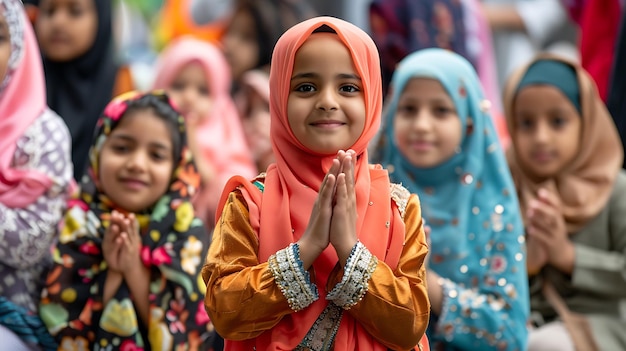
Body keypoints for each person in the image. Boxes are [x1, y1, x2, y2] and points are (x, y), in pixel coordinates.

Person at [202, 16, 430, 350]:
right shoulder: (251, 203)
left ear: (373, 97)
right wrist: (306, 250)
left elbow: (410, 324)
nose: (327, 101)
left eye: (348, 88)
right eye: (306, 87)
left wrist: (350, 251)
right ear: (279, 96)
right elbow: (225, 312)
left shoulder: (398, 207)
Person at [374, 48, 529, 350]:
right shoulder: (370, 191)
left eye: (441, 111)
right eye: (408, 109)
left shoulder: (493, 209)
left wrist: (429, 287)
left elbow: (512, 334)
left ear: (469, 123)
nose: (421, 124)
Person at [39, 91, 213, 350]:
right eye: (122, 148)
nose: (137, 164)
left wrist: (132, 268)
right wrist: (112, 271)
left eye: (156, 155)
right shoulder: (72, 223)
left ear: (177, 167)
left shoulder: (188, 235)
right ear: (98, 150)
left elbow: (189, 338)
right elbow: (59, 327)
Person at [502, 56, 626, 350]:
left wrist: (567, 255)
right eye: (526, 123)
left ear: (587, 122)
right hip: (522, 319)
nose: (541, 137)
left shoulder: (615, 187)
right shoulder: (505, 186)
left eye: (558, 121)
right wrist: (527, 265)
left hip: (602, 323)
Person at [0, 1, 73, 349]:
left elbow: (27, 245)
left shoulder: (44, 133)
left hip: (17, 316)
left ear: (18, 46)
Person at [152, 36, 256, 230]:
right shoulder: (145, 124)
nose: (189, 97)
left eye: (203, 91)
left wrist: (196, 155)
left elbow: (238, 196)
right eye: (178, 86)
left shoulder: (226, 134)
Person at [34, 0, 128, 180]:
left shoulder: (121, 86)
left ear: (101, 18)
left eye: (75, 11)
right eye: (49, 11)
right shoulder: (20, 84)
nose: (58, 22)